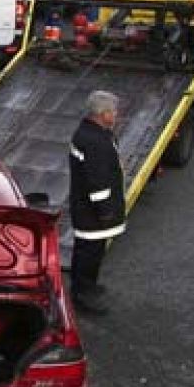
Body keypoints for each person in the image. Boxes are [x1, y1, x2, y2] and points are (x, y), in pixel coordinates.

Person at [69, 91, 125, 313]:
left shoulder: (90, 134)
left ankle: (85, 286)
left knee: (88, 251)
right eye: (113, 111)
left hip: (85, 209)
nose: (116, 114)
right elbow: (98, 182)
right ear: (103, 114)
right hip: (92, 214)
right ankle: (83, 294)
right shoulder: (95, 141)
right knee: (89, 253)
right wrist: (106, 212)